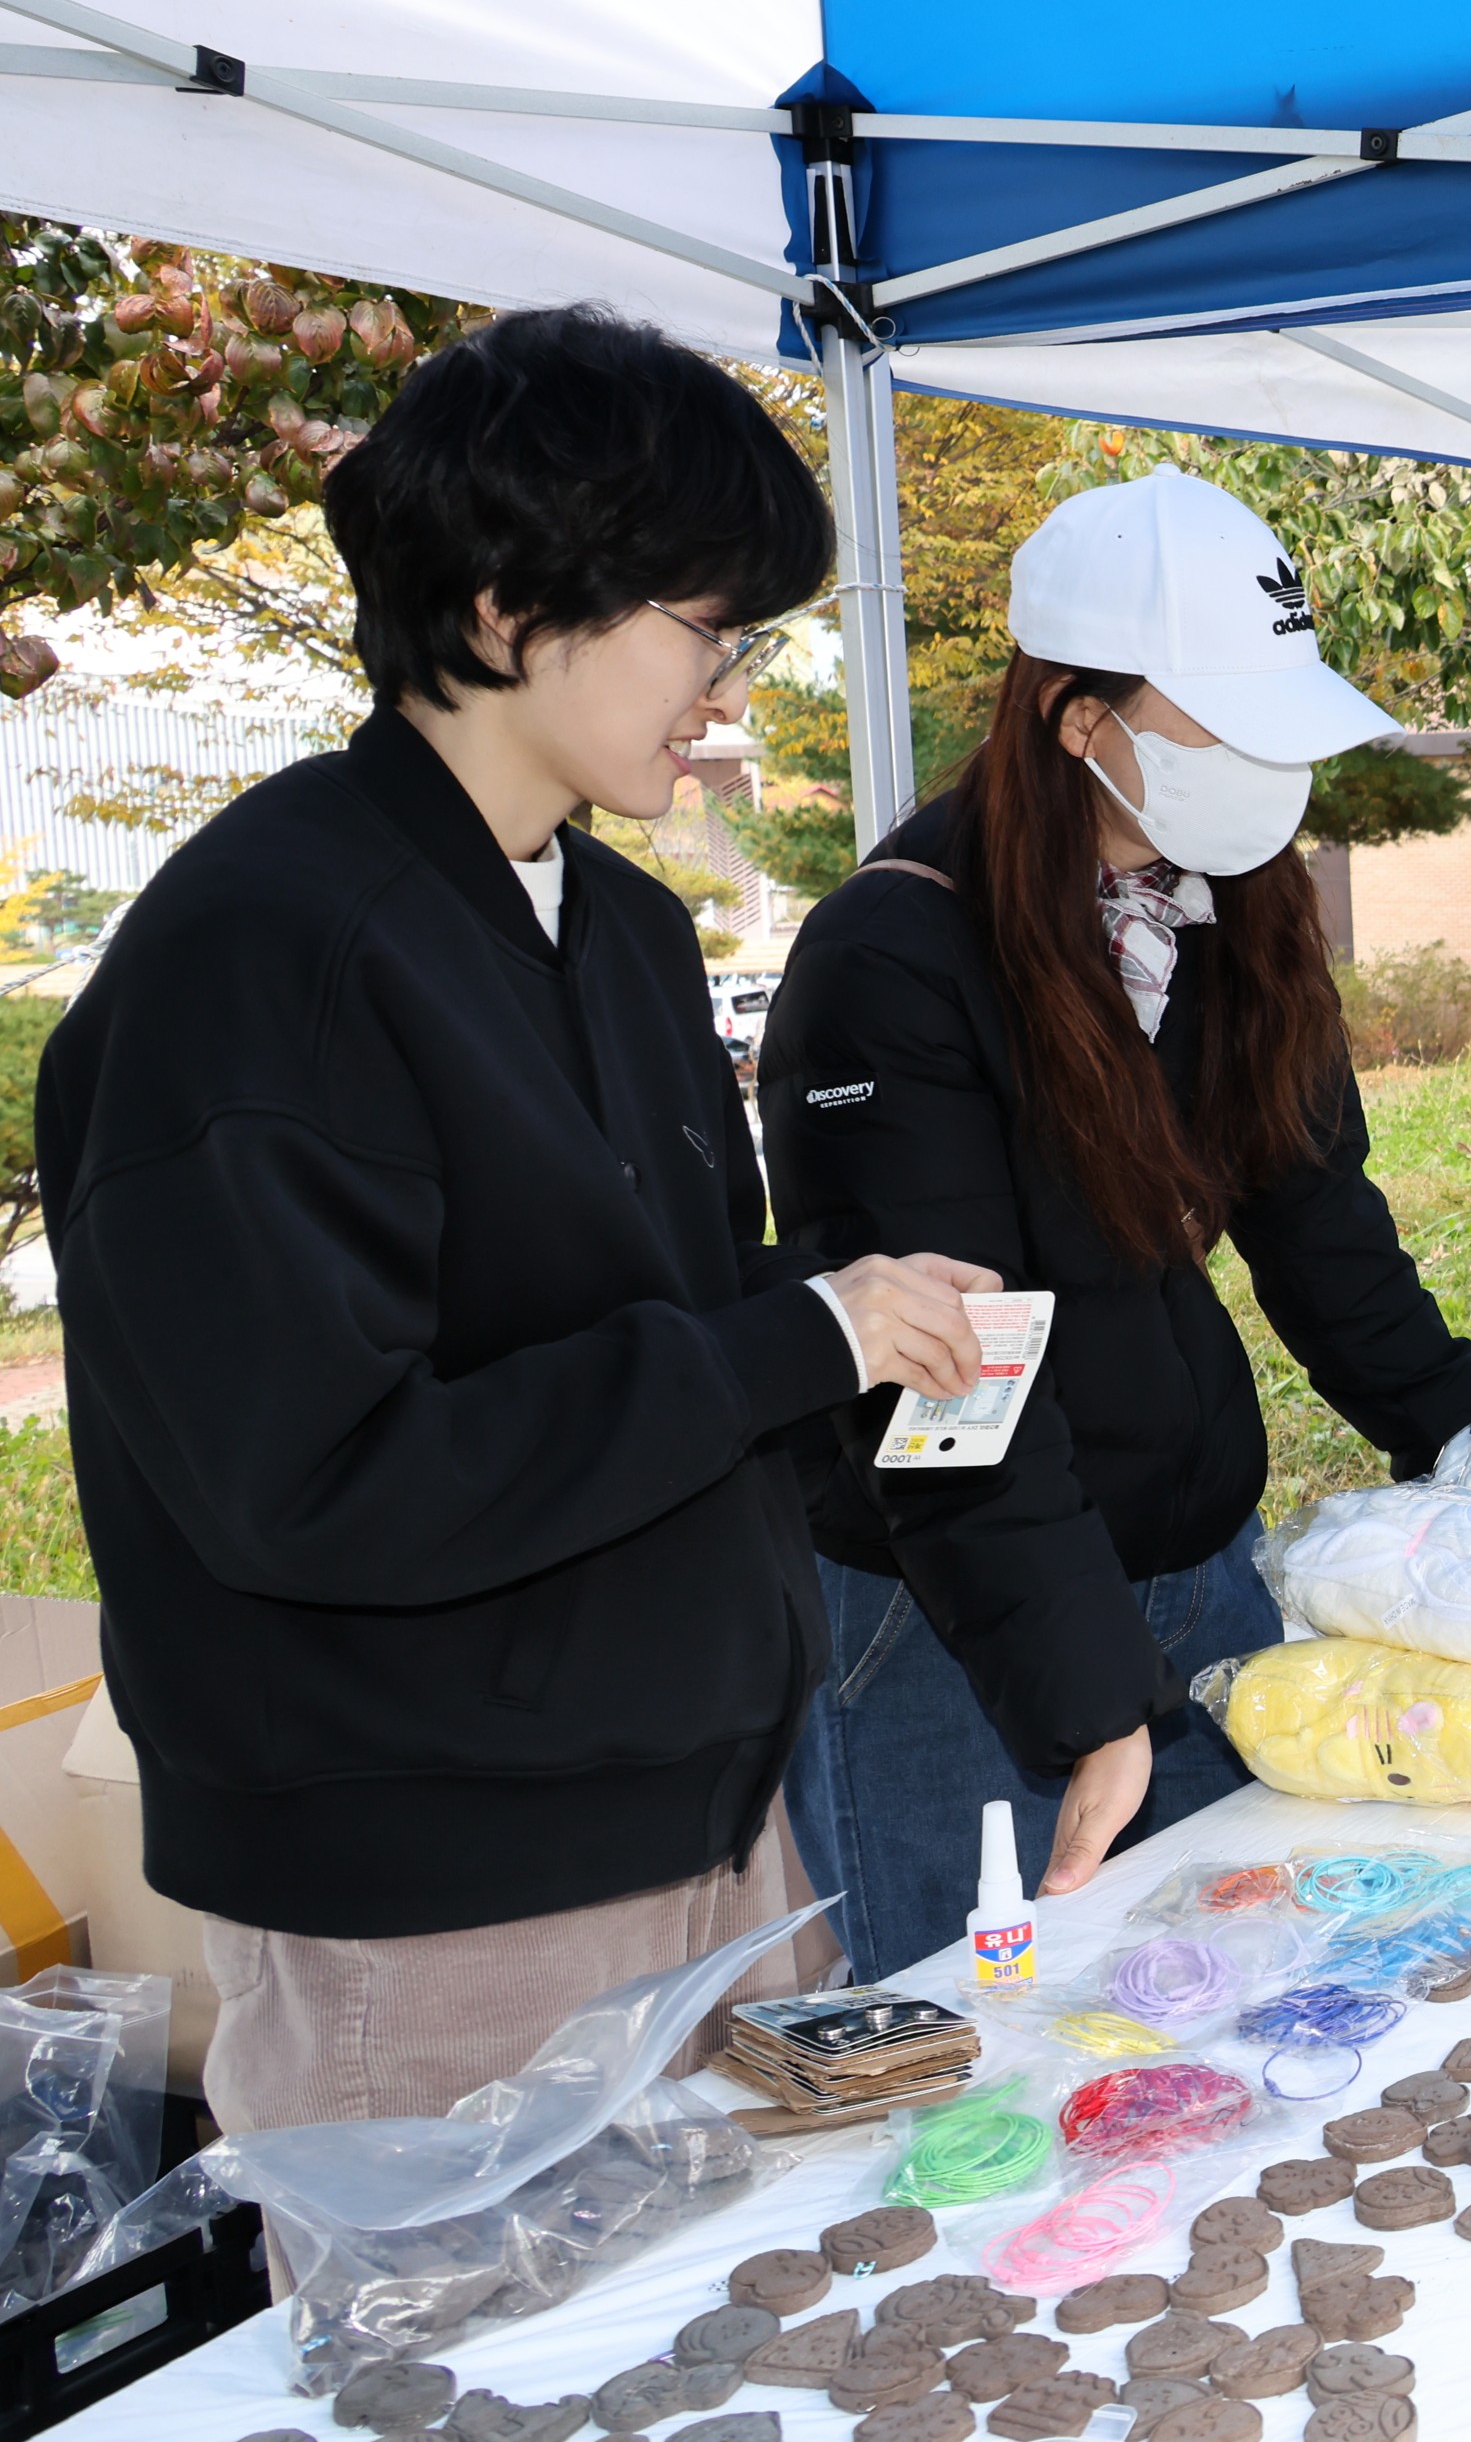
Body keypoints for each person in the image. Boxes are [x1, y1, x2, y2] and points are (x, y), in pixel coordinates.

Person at [31, 307, 996, 2131]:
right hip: (445, 1888)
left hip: (718, 1816)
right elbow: (317, 1472)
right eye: (706, 627)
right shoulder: (264, 953)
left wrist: (845, 1305)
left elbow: (663, 1313)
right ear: (499, 607)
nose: (729, 687)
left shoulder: (619, 929)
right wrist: (792, 1336)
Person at [761, 468, 1471, 1982]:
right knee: (979, 2050)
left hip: (1189, 1567)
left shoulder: (1223, 903)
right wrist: (1090, 1695)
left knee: (1241, 2011)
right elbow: (947, 1379)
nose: (1267, 767)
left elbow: (1323, 1227)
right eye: (1220, 721)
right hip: (956, 1614)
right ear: (1077, 720)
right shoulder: (893, 959)